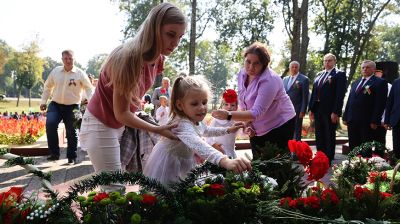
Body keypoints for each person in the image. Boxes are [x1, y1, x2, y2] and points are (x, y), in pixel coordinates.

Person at [79, 3, 186, 191]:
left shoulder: (158, 59)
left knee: (116, 189)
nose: (175, 43)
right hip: (100, 125)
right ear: (154, 28)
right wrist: (158, 129)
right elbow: (122, 113)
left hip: (119, 127)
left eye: (180, 37)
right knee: (114, 189)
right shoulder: (127, 58)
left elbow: (132, 102)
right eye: (170, 34)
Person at [143, 76, 252, 185]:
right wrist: (224, 160)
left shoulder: (194, 119)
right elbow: (198, 144)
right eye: (195, 104)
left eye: (204, 102)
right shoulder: (181, 124)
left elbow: (207, 130)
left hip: (183, 161)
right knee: (167, 192)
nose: (202, 108)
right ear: (180, 105)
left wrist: (228, 130)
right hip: (168, 165)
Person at [212, 42, 296, 160]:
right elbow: (243, 101)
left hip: (279, 124)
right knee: (258, 162)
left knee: (276, 165)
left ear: (264, 64)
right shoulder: (242, 74)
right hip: (257, 123)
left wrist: (228, 115)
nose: (251, 67)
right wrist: (248, 124)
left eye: (256, 63)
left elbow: (256, 112)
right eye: (248, 62)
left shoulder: (269, 80)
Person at [40, 50, 94, 164]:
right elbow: (47, 86)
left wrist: (91, 100)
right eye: (66, 59)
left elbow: (89, 88)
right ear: (62, 59)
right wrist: (43, 101)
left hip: (73, 106)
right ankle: (54, 154)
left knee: (71, 131)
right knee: (50, 124)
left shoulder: (80, 73)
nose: (68, 61)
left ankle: (71, 156)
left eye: (70, 58)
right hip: (55, 105)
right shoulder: (55, 71)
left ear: (74, 59)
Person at [343, 60, 388, 155]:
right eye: (363, 67)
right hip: (352, 120)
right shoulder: (356, 82)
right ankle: (352, 167)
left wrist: (375, 120)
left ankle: (364, 167)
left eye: (367, 67)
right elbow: (350, 100)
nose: (364, 69)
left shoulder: (380, 82)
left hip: (366, 121)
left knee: (365, 148)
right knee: (353, 146)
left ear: (374, 69)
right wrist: (345, 116)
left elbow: (380, 103)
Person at [308, 53, 347, 164]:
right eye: (325, 60)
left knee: (329, 133)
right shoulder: (319, 74)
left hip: (330, 110)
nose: (327, 62)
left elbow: (340, 95)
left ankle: (328, 158)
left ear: (334, 61)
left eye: (329, 60)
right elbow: (314, 92)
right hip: (318, 108)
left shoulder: (339, 74)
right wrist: (311, 109)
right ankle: (320, 155)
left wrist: (335, 111)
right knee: (319, 133)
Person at [206, 89, 240, 159]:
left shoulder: (235, 120)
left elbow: (243, 128)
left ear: (236, 107)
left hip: (231, 151)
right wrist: (213, 144)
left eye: (232, 105)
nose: (229, 107)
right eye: (226, 104)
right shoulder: (217, 120)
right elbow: (207, 134)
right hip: (219, 150)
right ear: (222, 106)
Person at [282, 61, 309, 141]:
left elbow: (305, 96)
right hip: (285, 109)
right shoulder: (285, 79)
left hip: (297, 109)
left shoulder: (304, 79)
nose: (294, 68)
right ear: (289, 68)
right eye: (292, 67)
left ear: (298, 68)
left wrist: (303, 110)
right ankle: (287, 149)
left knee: (296, 129)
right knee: (286, 129)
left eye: (296, 67)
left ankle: (296, 150)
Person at [374, 69, 392, 146]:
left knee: (380, 140)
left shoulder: (389, 86)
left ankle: (379, 157)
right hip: (368, 119)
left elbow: (388, 104)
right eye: (376, 72)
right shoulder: (368, 84)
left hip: (381, 119)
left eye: (379, 72)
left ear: (382, 73)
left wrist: (385, 119)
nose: (377, 73)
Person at [384, 78, 400, 159]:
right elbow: (390, 101)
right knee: (397, 148)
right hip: (397, 121)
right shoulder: (396, 82)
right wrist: (386, 120)